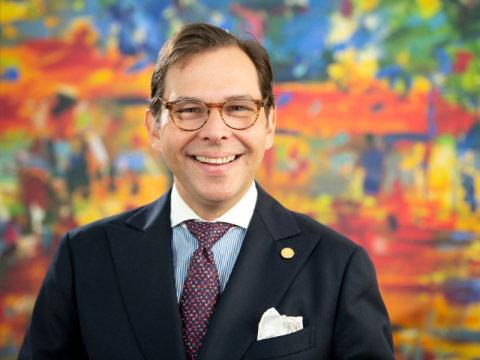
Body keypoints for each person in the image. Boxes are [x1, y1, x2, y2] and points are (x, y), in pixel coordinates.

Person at [19, 23, 395, 360]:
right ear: (154, 127)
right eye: (188, 109)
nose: (215, 131)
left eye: (238, 107)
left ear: (269, 125)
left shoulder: (338, 266)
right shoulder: (82, 258)